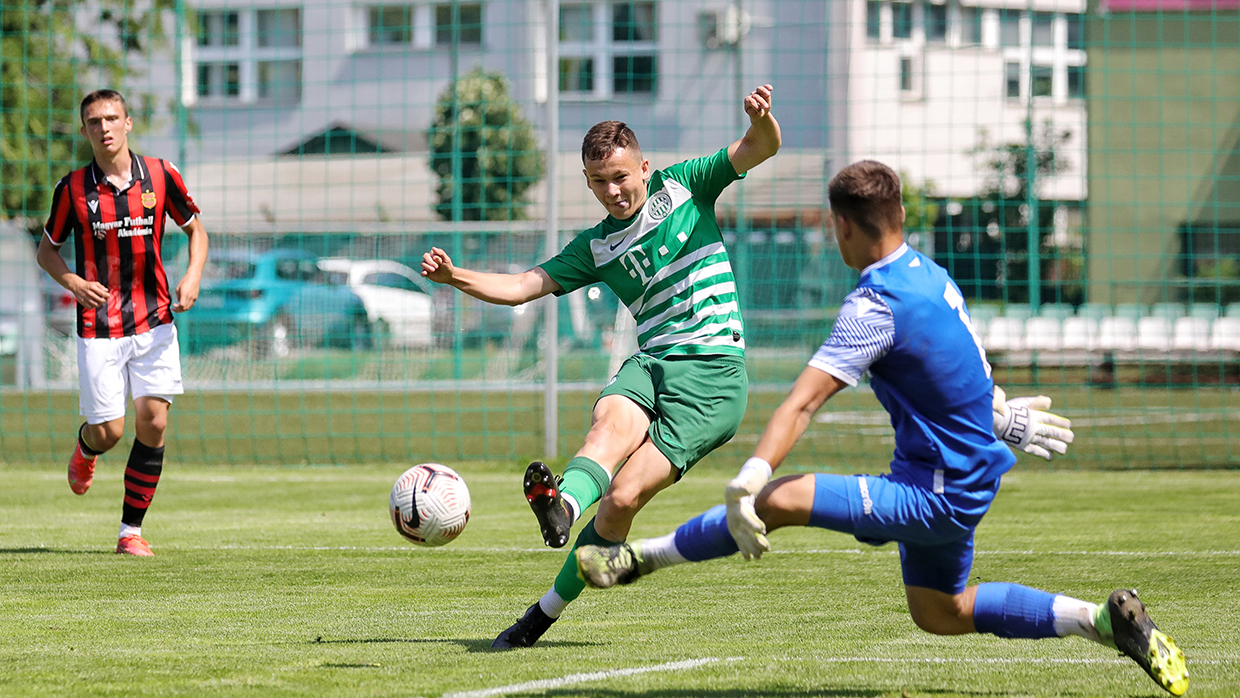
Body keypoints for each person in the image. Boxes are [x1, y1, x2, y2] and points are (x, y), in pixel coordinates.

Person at [576, 160, 1188, 696]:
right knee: (941, 611)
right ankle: (1099, 621)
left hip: (936, 491)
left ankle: (639, 558)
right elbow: (956, 370)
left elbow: (803, 403)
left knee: (778, 498)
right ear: (898, 214)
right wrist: (1001, 417)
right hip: (959, 478)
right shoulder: (931, 275)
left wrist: (749, 479)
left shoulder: (874, 305)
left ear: (842, 227)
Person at [421, 85, 782, 648]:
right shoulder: (595, 247)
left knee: (618, 503)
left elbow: (760, 147)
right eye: (598, 182)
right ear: (588, 182)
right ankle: (561, 507)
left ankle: (541, 614)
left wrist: (762, 121)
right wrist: (454, 277)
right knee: (608, 424)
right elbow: (521, 287)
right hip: (653, 361)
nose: (612, 191)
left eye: (620, 177)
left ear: (644, 167)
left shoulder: (686, 184)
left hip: (712, 377)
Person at [37, 89, 209, 557]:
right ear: (84, 130)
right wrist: (73, 282)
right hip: (99, 327)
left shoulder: (161, 174)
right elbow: (47, 251)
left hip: (155, 321)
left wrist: (193, 275)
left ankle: (129, 532)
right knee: (109, 432)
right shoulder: (72, 189)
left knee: (153, 422)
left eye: (112, 118)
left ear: (128, 123)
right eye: (95, 122)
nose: (105, 128)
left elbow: (196, 230)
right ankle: (86, 447)